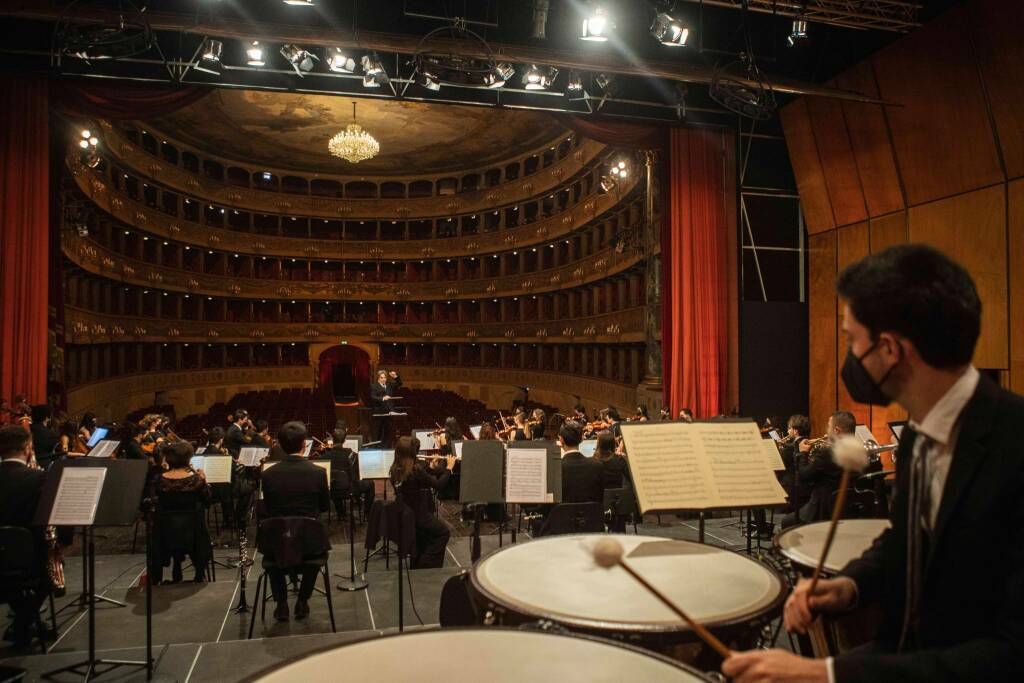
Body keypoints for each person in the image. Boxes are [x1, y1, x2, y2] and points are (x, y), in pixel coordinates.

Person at [723, 244, 1024, 682]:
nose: (849, 355)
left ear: (889, 350)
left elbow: (1012, 653)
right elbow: (905, 544)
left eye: (850, 340)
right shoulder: (922, 433)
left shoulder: (1014, 446)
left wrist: (826, 674)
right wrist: (849, 586)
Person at [259, 421, 330, 622]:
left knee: (275, 549)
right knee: (313, 547)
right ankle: (302, 600)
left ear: (280, 445)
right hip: (309, 544)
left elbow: (269, 509)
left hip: (278, 542)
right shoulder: (318, 472)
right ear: (304, 444)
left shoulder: (267, 474)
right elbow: (324, 507)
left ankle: (281, 604)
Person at [0, 425, 50, 647]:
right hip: (27, 558)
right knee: (51, 570)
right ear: (28, 448)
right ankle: (24, 620)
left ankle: (23, 617)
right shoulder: (38, 478)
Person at [149, 442, 212, 584]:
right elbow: (208, 501)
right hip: (193, 533)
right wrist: (204, 479)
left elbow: (154, 502)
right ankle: (199, 575)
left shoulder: (158, 480)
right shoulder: (196, 480)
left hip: (165, 532)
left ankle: (160, 576)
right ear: (188, 459)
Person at [779, 411, 853, 529]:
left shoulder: (827, 452)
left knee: (786, 522)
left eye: (829, 426)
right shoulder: (857, 451)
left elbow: (804, 475)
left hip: (821, 508)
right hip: (847, 508)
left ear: (837, 430)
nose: (826, 430)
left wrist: (802, 453)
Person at [390, 436, 455, 569]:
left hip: (407, 515)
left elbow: (425, 477)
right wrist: (449, 467)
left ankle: (418, 563)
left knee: (422, 539)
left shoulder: (395, 469)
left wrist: (430, 466)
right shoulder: (416, 470)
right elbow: (439, 484)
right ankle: (426, 564)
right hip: (421, 515)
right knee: (443, 533)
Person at [325, 426, 373, 520]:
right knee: (370, 484)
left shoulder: (324, 457)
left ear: (332, 440)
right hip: (349, 490)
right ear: (344, 441)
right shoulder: (352, 455)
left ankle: (341, 513)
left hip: (331, 492)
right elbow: (357, 474)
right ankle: (367, 514)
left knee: (334, 480)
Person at [558, 422, 604, 505]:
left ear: (561, 440)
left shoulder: (556, 468)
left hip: (563, 516)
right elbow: (600, 499)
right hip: (591, 516)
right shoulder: (597, 465)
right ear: (582, 439)